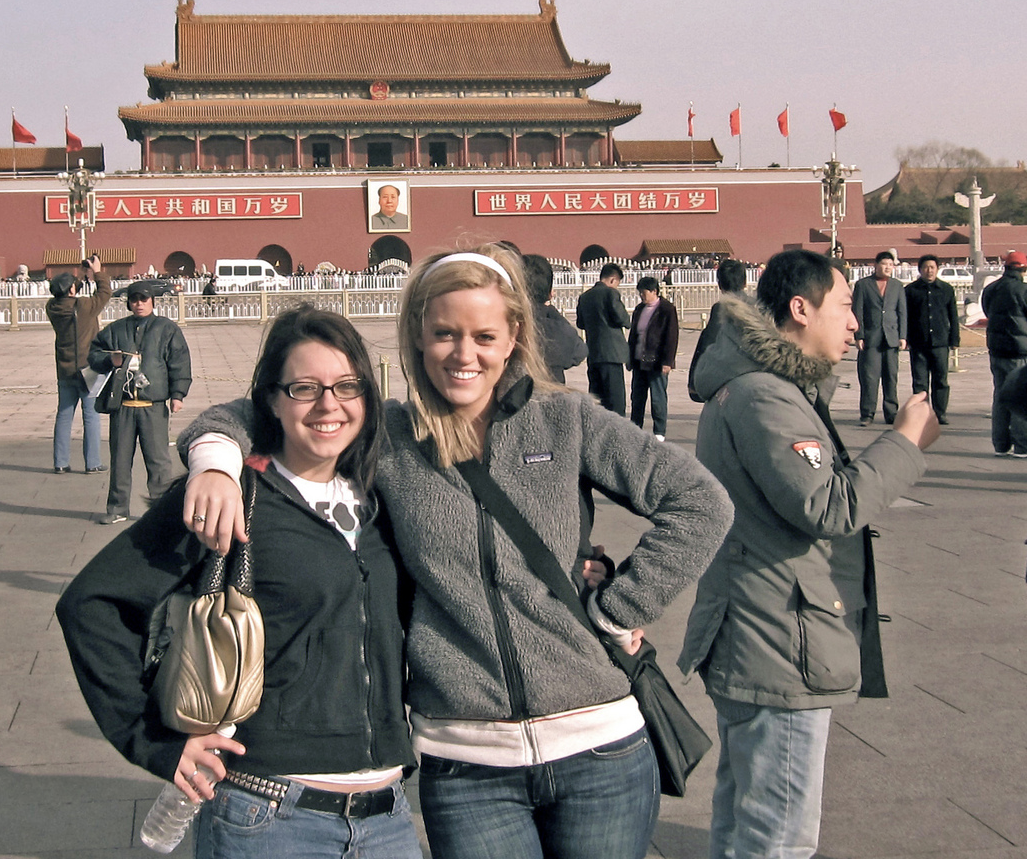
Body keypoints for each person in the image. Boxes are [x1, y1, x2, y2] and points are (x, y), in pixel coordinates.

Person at [178, 244, 733, 859]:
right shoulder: (388, 437)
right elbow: (257, 409)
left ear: (514, 335)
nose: (464, 355)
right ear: (418, 335)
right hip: (466, 761)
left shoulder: (566, 420)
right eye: (445, 333)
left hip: (600, 745)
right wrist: (215, 465)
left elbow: (702, 504)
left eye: (483, 335)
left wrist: (618, 606)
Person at [57, 306, 423, 859]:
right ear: (271, 401)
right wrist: (153, 741)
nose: (330, 405)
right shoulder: (232, 497)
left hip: (389, 818)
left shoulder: (384, 498)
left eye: (348, 386)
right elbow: (93, 603)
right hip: (269, 816)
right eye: (304, 388)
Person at [678, 249, 937, 859]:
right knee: (779, 836)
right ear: (800, 309)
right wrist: (902, 443)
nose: (856, 324)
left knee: (745, 821)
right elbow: (828, 506)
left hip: (764, 626)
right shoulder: (764, 397)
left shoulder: (763, 387)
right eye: (846, 307)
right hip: (778, 639)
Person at [88, 282, 192, 525]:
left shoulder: (167, 329)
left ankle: (161, 509)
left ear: (153, 301)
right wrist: (109, 360)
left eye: (144, 299)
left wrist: (178, 394)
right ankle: (117, 507)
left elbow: (179, 362)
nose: (139, 303)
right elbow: (94, 354)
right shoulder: (117, 329)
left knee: (158, 461)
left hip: (153, 406)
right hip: (123, 406)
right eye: (134, 299)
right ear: (129, 303)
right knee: (120, 460)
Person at [46, 254, 112, 474]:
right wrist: (98, 271)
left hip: (65, 369)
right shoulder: (83, 306)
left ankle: (60, 462)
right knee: (91, 415)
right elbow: (104, 293)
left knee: (64, 415)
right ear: (72, 291)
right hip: (88, 367)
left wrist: (83, 277)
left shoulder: (52, 307)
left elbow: (71, 296)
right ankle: (92, 462)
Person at [852, 251, 907, 426]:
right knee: (869, 378)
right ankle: (867, 414)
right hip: (870, 338)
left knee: (891, 378)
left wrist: (903, 336)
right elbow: (857, 311)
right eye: (885, 264)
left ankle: (891, 414)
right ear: (876, 265)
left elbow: (902, 312)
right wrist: (859, 335)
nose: (888, 267)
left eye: (891, 265)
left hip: (891, 338)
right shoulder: (863, 285)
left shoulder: (897, 286)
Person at [981, 250, 1027, 456]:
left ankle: (1000, 443)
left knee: (1000, 394)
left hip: (996, 348)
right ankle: (1021, 444)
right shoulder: (1023, 290)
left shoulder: (991, 289)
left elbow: (986, 311)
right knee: (1020, 395)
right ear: (1023, 269)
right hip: (1019, 350)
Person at [904, 254, 960, 425]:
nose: (929, 271)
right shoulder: (910, 290)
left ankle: (939, 412)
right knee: (920, 381)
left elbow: (953, 316)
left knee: (941, 380)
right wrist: (905, 338)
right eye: (926, 267)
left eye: (932, 267)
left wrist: (954, 339)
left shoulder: (946, 289)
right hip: (918, 342)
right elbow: (906, 316)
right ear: (920, 270)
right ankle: (922, 414)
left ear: (937, 269)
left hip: (940, 342)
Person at [627, 276, 679, 441]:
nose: (642, 296)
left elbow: (671, 337)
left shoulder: (666, 309)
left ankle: (659, 431)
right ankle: (635, 427)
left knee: (658, 398)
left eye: (644, 293)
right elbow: (633, 335)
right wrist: (629, 357)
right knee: (637, 396)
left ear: (654, 291)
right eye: (640, 293)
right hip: (639, 360)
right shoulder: (639, 309)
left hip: (657, 361)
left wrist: (667, 361)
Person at [575, 262, 630, 414]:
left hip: (594, 353)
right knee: (615, 401)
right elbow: (622, 319)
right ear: (613, 280)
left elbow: (580, 323)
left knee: (597, 399)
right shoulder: (611, 293)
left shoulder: (585, 297)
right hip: (612, 354)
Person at [689, 259, 747, 403]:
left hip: (728, 379)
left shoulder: (721, 308)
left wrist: (694, 380)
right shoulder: (759, 306)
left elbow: (708, 343)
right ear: (745, 283)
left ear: (720, 284)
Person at [522, 253, 587, 383]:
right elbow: (580, 351)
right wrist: (550, 308)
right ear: (550, 293)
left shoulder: (504, 325)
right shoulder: (559, 330)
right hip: (553, 395)